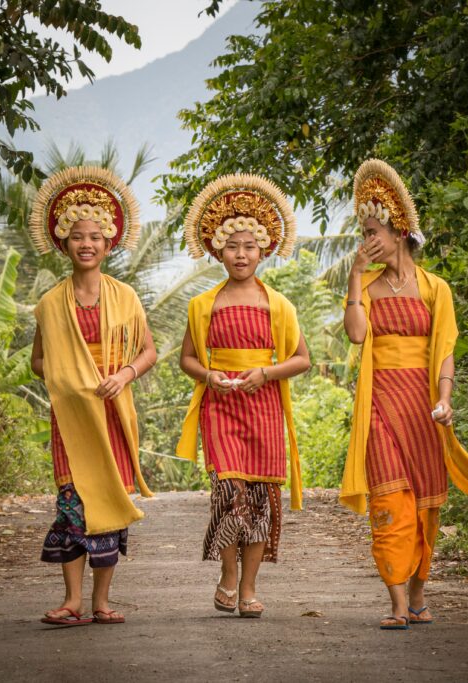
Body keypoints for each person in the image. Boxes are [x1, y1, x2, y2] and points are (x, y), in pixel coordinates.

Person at [340, 159, 468, 630]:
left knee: (428, 507)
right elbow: (355, 335)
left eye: (372, 231)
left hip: (424, 406)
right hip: (379, 404)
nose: (366, 239)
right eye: (363, 232)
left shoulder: (436, 288)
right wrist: (354, 277)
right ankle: (394, 602)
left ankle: (416, 592)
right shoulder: (367, 286)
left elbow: (445, 350)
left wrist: (446, 399)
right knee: (390, 503)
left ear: (397, 232)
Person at [176, 173, 311, 618]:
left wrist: (266, 373)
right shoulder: (203, 305)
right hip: (221, 408)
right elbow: (188, 360)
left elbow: (301, 359)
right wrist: (211, 377)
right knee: (229, 493)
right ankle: (228, 575)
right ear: (217, 249)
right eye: (232, 246)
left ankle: (250, 588)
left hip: (265, 407)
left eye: (249, 246)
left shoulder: (279, 305)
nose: (241, 254)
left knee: (259, 501)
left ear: (264, 249)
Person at [28, 165, 157, 626]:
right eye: (78, 236)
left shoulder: (126, 298)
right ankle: (71, 600)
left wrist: (123, 375)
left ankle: (102, 601)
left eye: (95, 236)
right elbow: (38, 362)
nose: (86, 243)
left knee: (108, 502)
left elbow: (148, 352)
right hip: (72, 417)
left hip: (113, 413)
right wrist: (71, 378)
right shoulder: (49, 304)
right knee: (72, 503)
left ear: (109, 243)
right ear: (63, 243)